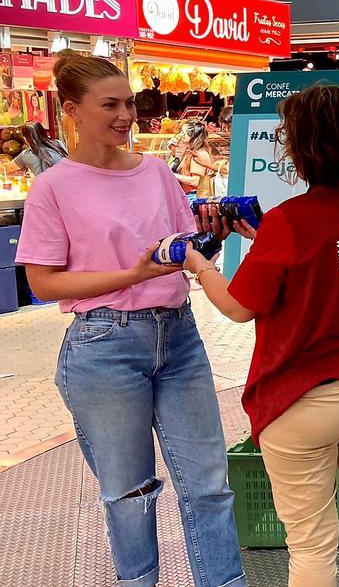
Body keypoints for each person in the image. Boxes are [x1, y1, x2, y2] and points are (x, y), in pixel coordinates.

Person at [16, 51, 246, 587]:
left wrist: (215, 235)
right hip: (103, 347)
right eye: (111, 105)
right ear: (71, 110)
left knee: (209, 484)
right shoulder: (53, 188)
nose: (126, 116)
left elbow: (178, 247)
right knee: (129, 496)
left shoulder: (156, 172)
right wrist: (132, 274)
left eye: (130, 103)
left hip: (180, 337)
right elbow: (43, 283)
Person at [185, 84, 339, 587]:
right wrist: (265, 236)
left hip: (298, 398)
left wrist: (199, 265)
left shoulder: (290, 222)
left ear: (301, 149)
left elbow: (238, 307)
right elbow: (330, 261)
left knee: (313, 543)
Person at [173, 120, 220, 200]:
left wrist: (173, 175)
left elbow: (196, 181)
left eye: (184, 133)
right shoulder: (192, 151)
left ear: (192, 136)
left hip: (194, 196)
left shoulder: (199, 154)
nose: (181, 135)